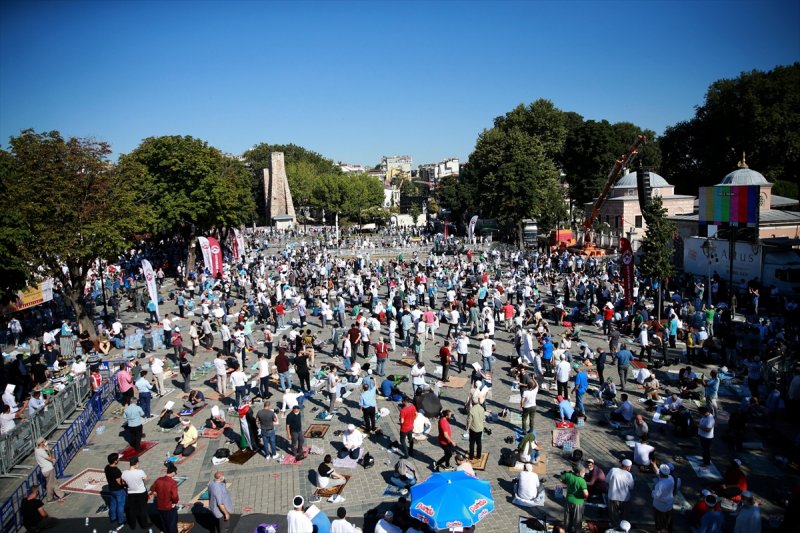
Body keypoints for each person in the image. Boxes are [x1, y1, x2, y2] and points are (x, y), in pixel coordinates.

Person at [150, 463, 180, 533]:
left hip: (160, 505)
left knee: (164, 522)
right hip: (169, 506)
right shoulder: (173, 483)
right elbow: (175, 496)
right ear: (173, 472)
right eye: (175, 473)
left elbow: (152, 488)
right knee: (172, 524)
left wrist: (156, 492)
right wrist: (174, 502)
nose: (175, 474)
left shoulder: (158, 480)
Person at [121, 456, 150, 529]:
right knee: (142, 509)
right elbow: (146, 479)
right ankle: (144, 525)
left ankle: (132, 525)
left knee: (132, 510)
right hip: (141, 493)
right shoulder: (140, 472)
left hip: (131, 493)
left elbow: (123, 483)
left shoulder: (124, 473)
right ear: (136, 463)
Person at [34, 438, 64, 503]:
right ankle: (49, 498)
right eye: (44, 441)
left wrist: (45, 449)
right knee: (50, 485)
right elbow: (50, 459)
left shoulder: (37, 450)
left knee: (54, 482)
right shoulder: (41, 452)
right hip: (48, 469)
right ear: (41, 443)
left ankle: (61, 494)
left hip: (45, 469)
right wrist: (48, 450)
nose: (45, 442)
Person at [560, 464, 588, 533]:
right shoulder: (582, 481)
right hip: (578, 502)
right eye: (584, 472)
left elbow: (560, 478)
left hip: (568, 500)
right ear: (580, 472)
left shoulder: (568, 475)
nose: (585, 473)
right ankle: (577, 531)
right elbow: (586, 494)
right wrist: (585, 498)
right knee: (577, 518)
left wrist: (566, 483)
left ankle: (567, 529)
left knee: (568, 516)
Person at [606, 459, 634, 526]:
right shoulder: (629, 475)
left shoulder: (613, 470)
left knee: (613, 516)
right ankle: (623, 527)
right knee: (624, 517)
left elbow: (606, 480)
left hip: (613, 497)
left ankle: (614, 526)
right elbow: (631, 487)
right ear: (627, 467)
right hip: (625, 499)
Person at [105, 453, 127, 528]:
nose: (118, 459)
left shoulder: (107, 467)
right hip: (118, 490)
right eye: (118, 459)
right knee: (120, 505)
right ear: (115, 461)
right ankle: (120, 521)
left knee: (113, 503)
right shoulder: (116, 470)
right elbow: (119, 482)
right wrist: (126, 484)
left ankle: (113, 518)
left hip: (111, 489)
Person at [651, 464, 675, 533]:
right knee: (668, 522)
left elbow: (656, 495)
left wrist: (653, 491)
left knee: (658, 523)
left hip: (660, 507)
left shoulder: (660, 484)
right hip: (669, 505)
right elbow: (660, 475)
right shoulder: (671, 478)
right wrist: (654, 466)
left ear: (661, 473)